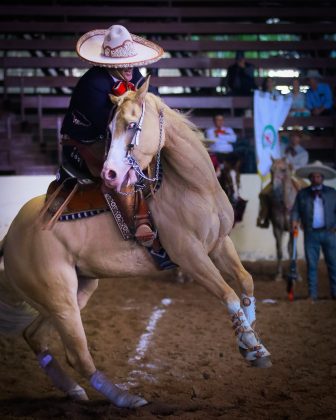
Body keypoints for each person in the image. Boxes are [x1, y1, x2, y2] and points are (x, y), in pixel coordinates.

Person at [59, 24, 164, 247]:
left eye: (131, 63)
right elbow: (111, 126)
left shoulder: (134, 74)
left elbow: (150, 104)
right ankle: (139, 222)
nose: (129, 68)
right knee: (120, 166)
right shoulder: (92, 84)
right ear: (108, 64)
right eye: (122, 64)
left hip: (115, 137)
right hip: (83, 143)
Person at [291, 161, 336, 301]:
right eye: (313, 176)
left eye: (318, 176)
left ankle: (335, 293)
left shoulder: (332, 193)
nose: (316, 179)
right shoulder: (302, 194)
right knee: (311, 264)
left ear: (322, 177)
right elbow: (295, 210)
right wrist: (294, 221)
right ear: (310, 178)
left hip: (330, 233)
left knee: (333, 263)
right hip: (311, 234)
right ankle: (312, 294)